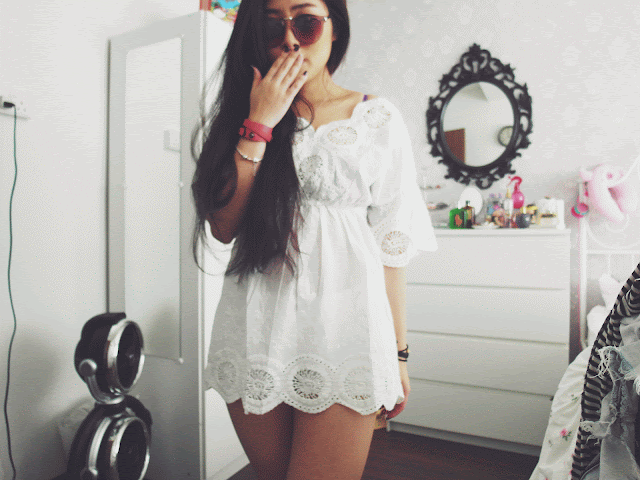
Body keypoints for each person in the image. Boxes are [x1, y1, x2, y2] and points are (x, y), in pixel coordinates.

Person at [191, 0, 437, 478]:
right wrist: (260, 121)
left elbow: (392, 246)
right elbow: (223, 227)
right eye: (272, 26)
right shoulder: (242, 115)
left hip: (345, 331)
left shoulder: (376, 118)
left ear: (333, 28)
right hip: (256, 330)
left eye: (305, 22)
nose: (289, 39)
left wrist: (399, 354)